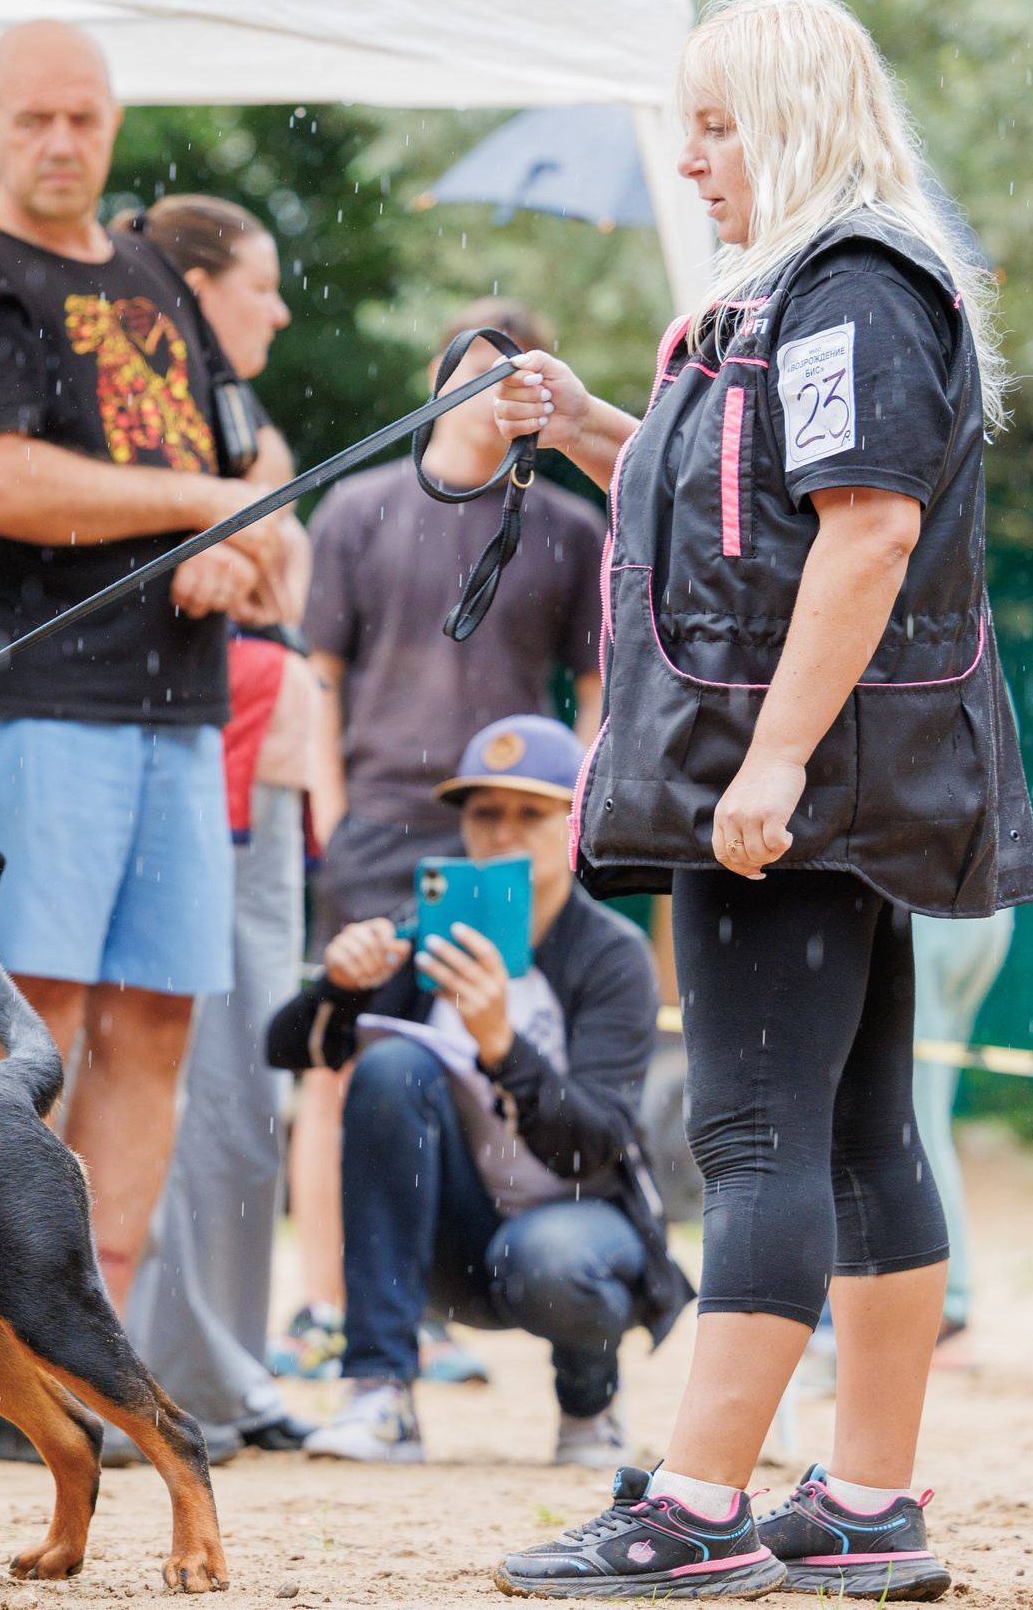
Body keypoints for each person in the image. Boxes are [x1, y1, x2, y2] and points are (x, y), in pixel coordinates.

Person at [489, 0, 1033, 1600]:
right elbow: (754, 528)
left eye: (718, 125)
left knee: (752, 1131)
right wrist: (591, 423)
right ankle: (865, 1498)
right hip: (825, 775)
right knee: (860, 1130)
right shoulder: (795, 295)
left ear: (794, 118)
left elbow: (866, 532)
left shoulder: (852, 290)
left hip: (799, 783)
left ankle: (698, 1502)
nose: (694, 160)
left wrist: (778, 762)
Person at [0, 21, 288, 1459]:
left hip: (176, 706)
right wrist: (194, 508)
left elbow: (243, 462)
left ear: (117, 123)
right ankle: (9, 1385)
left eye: (87, 117)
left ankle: (97, 1362)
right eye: (36, 118)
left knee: (156, 1029)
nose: (64, 142)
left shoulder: (153, 282)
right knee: (28, 1033)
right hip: (25, 695)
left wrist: (239, 543)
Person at [281, 298, 606, 1382]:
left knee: (484, 1052)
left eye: (520, 372)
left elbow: (598, 689)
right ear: (437, 378)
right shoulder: (357, 510)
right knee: (350, 1061)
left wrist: (582, 807)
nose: (497, 389)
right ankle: (330, 1305)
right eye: (478, 369)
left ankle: (421, 1308)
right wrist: (328, 817)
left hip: (508, 827)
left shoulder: (565, 525)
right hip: (371, 826)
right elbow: (316, 682)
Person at [267, 716, 689, 1470]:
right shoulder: (428, 931)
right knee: (390, 1069)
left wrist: (501, 1044)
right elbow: (290, 1050)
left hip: (572, 1234)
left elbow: (594, 1143)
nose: (504, 834)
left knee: (553, 1255)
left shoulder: (611, 956)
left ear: (575, 823)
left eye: (532, 813)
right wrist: (336, 983)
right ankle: (379, 1393)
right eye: (484, 812)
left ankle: (590, 1408)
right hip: (449, 1244)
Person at [112, 194, 315, 1457]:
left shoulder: (245, 419)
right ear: (192, 287)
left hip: (261, 753)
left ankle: (221, 1361)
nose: (281, 310)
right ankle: (164, 1360)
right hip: (186, 749)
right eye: (261, 285)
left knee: (245, 1091)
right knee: (171, 1079)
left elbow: (273, 566)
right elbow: (235, 565)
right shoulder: (150, 412)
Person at [912, 911, 1014, 1363]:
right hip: (980, 901)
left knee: (904, 1122)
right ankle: (947, 1310)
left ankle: (943, 1313)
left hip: (926, 904)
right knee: (919, 1117)